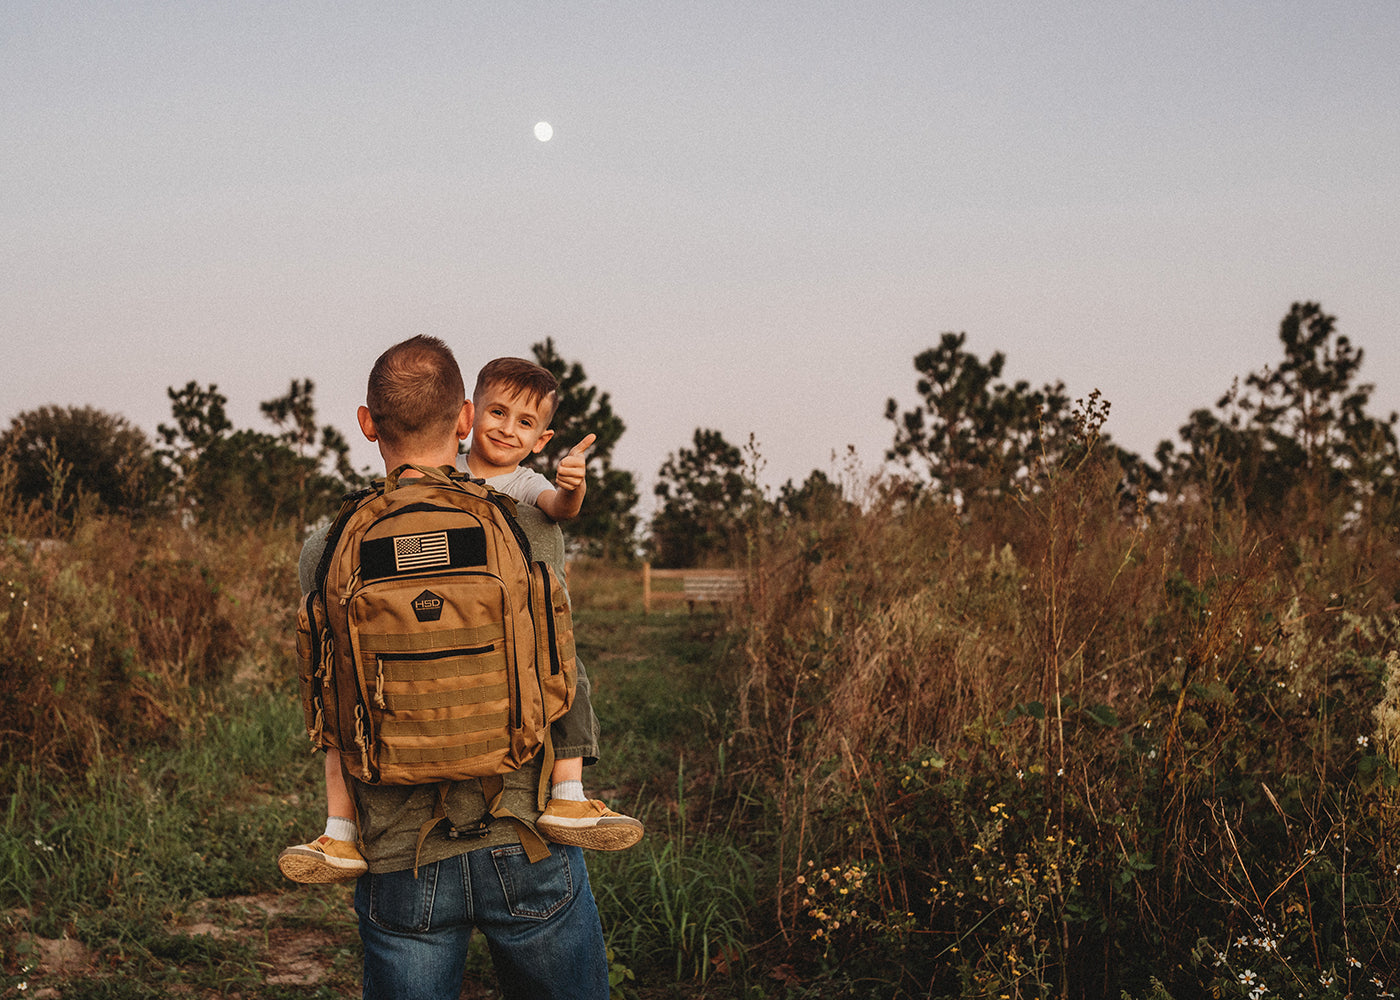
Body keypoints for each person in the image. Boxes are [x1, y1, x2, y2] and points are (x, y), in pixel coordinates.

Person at [289, 335, 610, 1000]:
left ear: (368, 423)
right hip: (525, 834)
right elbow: (557, 662)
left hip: (398, 849)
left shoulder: (328, 546)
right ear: (466, 420)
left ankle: (335, 829)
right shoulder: (523, 522)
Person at [459, 356, 643, 848]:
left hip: (512, 612)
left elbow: (559, 510)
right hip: (456, 609)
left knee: (566, 667)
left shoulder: (525, 482)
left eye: (525, 423)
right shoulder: (444, 470)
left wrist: (572, 485)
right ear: (468, 413)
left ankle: (567, 789)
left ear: (541, 440)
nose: (506, 430)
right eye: (496, 413)